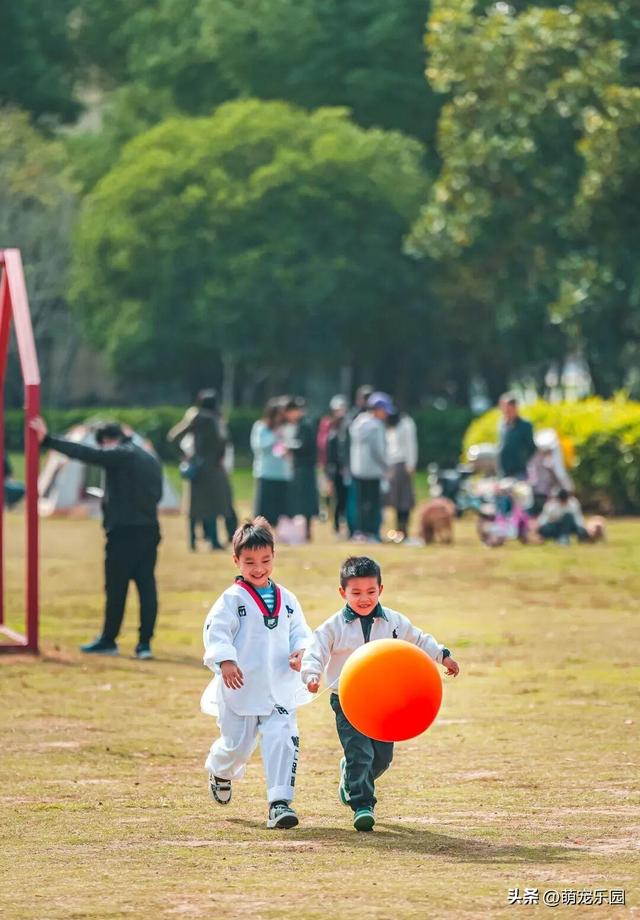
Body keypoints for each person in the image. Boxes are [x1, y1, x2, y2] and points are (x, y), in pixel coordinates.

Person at [301, 556, 459, 832]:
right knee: (359, 753)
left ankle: (351, 777)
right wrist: (311, 675)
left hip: (384, 700)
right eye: (356, 593)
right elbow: (316, 651)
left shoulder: (393, 621)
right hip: (347, 700)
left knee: (382, 758)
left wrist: (442, 655)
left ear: (381, 590)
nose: (364, 599)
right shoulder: (333, 626)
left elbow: (418, 639)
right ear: (343, 592)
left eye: (371, 591)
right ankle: (363, 805)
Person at [201, 517, 311, 829]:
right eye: (249, 562)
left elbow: (300, 632)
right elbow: (216, 633)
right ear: (236, 560)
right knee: (237, 747)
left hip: (279, 687)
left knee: (283, 739)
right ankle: (220, 770)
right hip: (241, 688)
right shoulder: (231, 599)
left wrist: (301, 651)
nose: (258, 568)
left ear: (274, 556)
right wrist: (225, 661)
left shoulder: (287, 599)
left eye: (265, 560)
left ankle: (279, 803)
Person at [30, 416, 162, 659]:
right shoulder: (149, 457)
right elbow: (157, 494)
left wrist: (47, 440)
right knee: (146, 587)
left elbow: (87, 453)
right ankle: (145, 644)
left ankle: (108, 640)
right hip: (149, 529)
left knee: (116, 588)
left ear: (106, 441)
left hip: (123, 532)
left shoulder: (120, 454)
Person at [168, 389, 237, 551]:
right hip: (214, 468)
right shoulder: (215, 419)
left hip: (198, 466)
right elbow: (223, 443)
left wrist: (186, 456)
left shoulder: (195, 417)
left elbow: (173, 437)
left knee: (196, 507)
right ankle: (213, 540)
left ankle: (192, 541)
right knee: (213, 506)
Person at [349, 392, 392, 540]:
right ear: (377, 409)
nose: (386, 414)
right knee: (373, 504)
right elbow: (378, 451)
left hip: (358, 469)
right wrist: (386, 466)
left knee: (360, 502)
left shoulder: (358, 422)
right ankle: (373, 533)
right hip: (373, 471)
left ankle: (359, 532)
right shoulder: (376, 426)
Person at [250, 398, 292, 527]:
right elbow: (259, 446)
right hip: (266, 473)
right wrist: (274, 436)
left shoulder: (286, 428)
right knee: (263, 511)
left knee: (281, 511)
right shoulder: (261, 427)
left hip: (282, 473)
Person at [283, 396, 319, 541]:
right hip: (303, 467)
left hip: (304, 467)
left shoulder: (305, 424)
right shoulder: (303, 423)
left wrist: (289, 446)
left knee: (305, 501)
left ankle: (306, 530)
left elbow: (305, 445)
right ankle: (304, 530)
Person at [385, 410, 418, 540]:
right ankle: (398, 528)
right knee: (396, 500)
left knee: (405, 499)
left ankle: (403, 529)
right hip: (392, 464)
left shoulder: (407, 423)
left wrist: (411, 464)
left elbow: (411, 445)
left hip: (403, 464)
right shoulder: (390, 424)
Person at [527, 428, 572, 516]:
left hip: (543, 494)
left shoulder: (538, 458)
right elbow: (560, 474)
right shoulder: (542, 459)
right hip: (543, 495)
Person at [325, 395, 351, 536]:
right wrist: (329, 477)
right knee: (338, 500)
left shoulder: (348, 427)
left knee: (346, 500)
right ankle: (336, 527)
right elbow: (329, 458)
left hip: (347, 470)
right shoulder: (332, 432)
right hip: (336, 471)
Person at [497, 393, 536, 479]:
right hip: (504, 471)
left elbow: (532, 448)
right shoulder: (501, 424)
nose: (506, 412)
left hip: (520, 471)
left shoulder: (525, 426)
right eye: (504, 408)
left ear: (515, 408)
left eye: (509, 409)